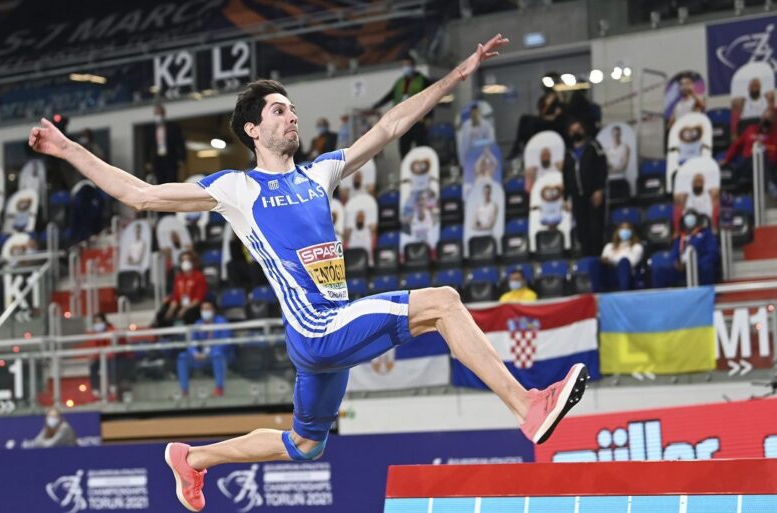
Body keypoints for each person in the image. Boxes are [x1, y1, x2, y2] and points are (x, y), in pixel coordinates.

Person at [29, 34, 588, 512]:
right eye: (278, 110)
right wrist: (67, 148)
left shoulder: (320, 173)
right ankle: (527, 407)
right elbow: (141, 195)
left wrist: (457, 76)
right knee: (442, 301)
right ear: (253, 129)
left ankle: (192, 458)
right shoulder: (237, 189)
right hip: (316, 328)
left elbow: (391, 125)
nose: (291, 115)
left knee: (305, 445)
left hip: (326, 336)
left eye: (292, 108)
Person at [563, 119, 608, 256]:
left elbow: (602, 168)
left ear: (584, 130)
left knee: (595, 229)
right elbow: (565, 175)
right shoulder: (568, 152)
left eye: (579, 129)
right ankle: (586, 259)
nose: (576, 132)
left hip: (593, 194)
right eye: (573, 130)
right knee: (582, 230)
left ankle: (597, 257)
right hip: (577, 197)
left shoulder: (594, 146)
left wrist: (599, 189)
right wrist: (566, 197)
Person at [371, 55, 432, 157]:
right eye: (403, 65)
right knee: (404, 147)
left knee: (421, 146)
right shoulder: (400, 82)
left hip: (418, 119)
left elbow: (430, 98)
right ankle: (405, 165)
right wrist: (376, 106)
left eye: (407, 65)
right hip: (402, 120)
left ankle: (423, 165)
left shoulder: (423, 80)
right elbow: (390, 95)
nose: (405, 68)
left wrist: (429, 117)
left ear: (413, 66)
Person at [176, 300, 234, 398]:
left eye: (207, 309)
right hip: (202, 356)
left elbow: (225, 342)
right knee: (182, 357)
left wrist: (208, 353)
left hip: (221, 356)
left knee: (217, 354)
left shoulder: (221, 322)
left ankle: (219, 389)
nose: (205, 311)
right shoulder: (198, 323)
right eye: (203, 309)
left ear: (213, 310)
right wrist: (195, 353)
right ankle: (184, 391)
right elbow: (191, 342)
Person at [655, 210, 719, 287]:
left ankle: (705, 291)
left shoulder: (706, 234)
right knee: (660, 272)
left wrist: (696, 263)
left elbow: (713, 253)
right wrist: (676, 263)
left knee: (706, 267)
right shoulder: (680, 237)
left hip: (699, 266)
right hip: (682, 268)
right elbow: (674, 254)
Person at [721, 108, 777, 188]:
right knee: (755, 159)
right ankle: (770, 187)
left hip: (767, 163)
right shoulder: (751, 129)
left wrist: (764, 147)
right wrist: (726, 159)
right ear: (761, 118)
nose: (765, 121)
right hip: (747, 162)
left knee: (761, 157)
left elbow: (774, 153)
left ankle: (769, 186)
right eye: (764, 118)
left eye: (769, 119)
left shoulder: (774, 134)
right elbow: (736, 145)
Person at [155, 251, 207, 328]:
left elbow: (198, 299)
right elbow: (175, 297)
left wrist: (184, 309)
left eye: (187, 260)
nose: (185, 262)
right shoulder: (178, 278)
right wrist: (170, 310)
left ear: (192, 261)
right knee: (162, 314)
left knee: (188, 314)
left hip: (193, 306)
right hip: (180, 304)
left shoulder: (199, 277)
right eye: (183, 260)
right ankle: (165, 334)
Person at [145, 104, 187, 185]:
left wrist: (182, 158)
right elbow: (147, 146)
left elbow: (180, 143)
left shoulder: (173, 127)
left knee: (172, 180)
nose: (158, 116)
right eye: (156, 113)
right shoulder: (151, 129)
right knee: (160, 180)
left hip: (171, 158)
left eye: (160, 113)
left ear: (164, 114)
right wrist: (147, 161)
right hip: (157, 159)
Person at [600, 222, 643, 291]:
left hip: (628, 273)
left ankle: (624, 291)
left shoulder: (637, 247)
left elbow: (631, 262)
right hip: (611, 273)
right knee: (595, 264)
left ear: (632, 231)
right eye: (622, 228)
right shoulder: (609, 246)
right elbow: (604, 259)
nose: (625, 230)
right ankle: (596, 292)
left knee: (624, 262)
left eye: (627, 228)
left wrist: (611, 260)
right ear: (617, 231)